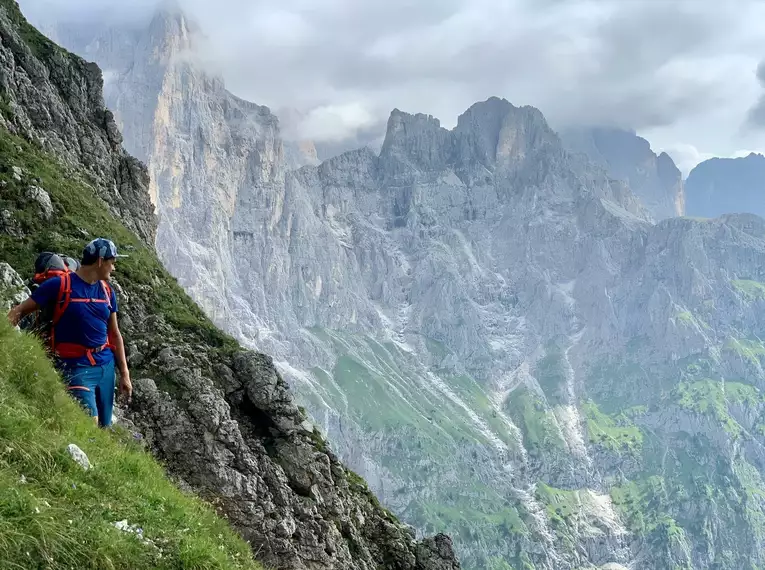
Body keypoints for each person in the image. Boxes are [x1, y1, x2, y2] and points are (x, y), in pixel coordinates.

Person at [7, 238, 132, 428]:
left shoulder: (107, 291)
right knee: (89, 425)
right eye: (112, 263)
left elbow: (114, 334)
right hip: (76, 367)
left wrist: (124, 374)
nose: (113, 269)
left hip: (105, 367)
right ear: (100, 261)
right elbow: (19, 311)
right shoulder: (59, 285)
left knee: (103, 428)